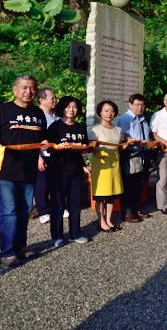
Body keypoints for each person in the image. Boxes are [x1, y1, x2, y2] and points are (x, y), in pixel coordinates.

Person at [0, 75, 48, 268]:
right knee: (9, 212)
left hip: (29, 172)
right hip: (6, 171)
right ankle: (6, 254)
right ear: (15, 89)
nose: (28, 92)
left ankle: (19, 249)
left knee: (24, 211)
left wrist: (45, 145)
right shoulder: (2, 110)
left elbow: (43, 139)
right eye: (24, 88)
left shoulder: (38, 114)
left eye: (32, 88)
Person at [47, 96, 90, 246]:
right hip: (58, 170)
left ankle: (75, 233)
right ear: (62, 109)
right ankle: (57, 235)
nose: (71, 110)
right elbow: (48, 148)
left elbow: (84, 148)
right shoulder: (55, 127)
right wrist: (58, 147)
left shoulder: (80, 127)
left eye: (74, 107)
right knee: (58, 204)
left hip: (76, 170)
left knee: (75, 203)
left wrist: (85, 155)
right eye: (68, 107)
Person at [115, 94, 152, 223]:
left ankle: (137, 208)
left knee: (140, 183)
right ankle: (127, 212)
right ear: (130, 105)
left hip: (143, 154)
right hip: (130, 155)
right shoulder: (125, 119)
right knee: (129, 184)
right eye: (137, 105)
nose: (140, 107)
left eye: (142, 105)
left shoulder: (143, 119)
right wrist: (131, 141)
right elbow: (120, 137)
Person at [88, 101, 124, 232]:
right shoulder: (94, 130)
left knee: (111, 196)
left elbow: (120, 146)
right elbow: (90, 150)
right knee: (101, 196)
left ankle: (108, 219)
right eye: (106, 110)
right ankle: (101, 221)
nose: (109, 113)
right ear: (100, 113)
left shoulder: (118, 130)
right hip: (101, 167)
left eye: (112, 111)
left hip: (114, 166)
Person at [35, 87, 60, 225]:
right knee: (42, 183)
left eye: (55, 98)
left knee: (56, 181)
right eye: (52, 98)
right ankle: (43, 210)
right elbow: (35, 138)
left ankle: (56, 207)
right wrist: (39, 157)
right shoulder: (36, 115)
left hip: (56, 154)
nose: (55, 100)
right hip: (41, 154)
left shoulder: (57, 115)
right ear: (42, 100)